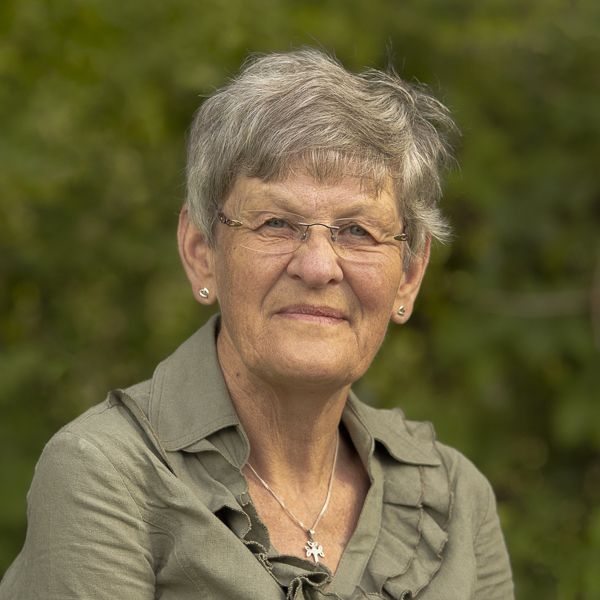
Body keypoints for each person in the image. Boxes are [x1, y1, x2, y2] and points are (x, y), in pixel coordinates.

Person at [0, 49, 514, 599]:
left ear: (409, 275)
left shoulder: (455, 500)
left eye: (358, 231)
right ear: (201, 252)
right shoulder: (106, 474)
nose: (317, 266)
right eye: (276, 223)